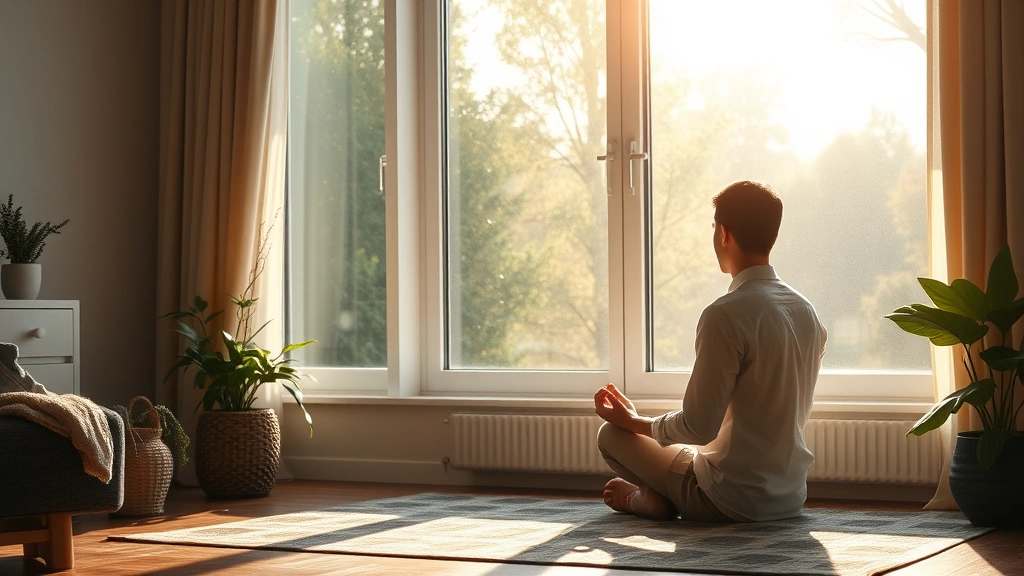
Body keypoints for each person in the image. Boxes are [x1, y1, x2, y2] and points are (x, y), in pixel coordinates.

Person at [594, 180, 827, 523]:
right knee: (688, 453)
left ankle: (644, 501)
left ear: (723, 233)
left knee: (611, 435)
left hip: (728, 500)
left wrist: (633, 421)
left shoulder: (725, 314)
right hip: (790, 496)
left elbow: (699, 428)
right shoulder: (807, 312)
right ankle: (657, 494)